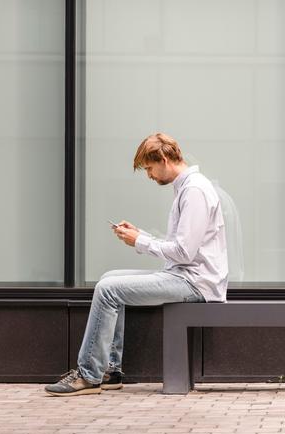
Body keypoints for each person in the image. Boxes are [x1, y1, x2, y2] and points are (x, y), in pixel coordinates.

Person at [46, 133, 228, 397]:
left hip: (195, 283)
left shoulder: (195, 191)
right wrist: (141, 235)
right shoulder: (187, 188)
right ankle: (109, 371)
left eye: (149, 168)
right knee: (109, 278)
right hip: (185, 276)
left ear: (164, 159)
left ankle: (88, 375)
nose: (149, 175)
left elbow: (184, 252)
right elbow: (182, 246)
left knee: (108, 290)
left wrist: (140, 241)